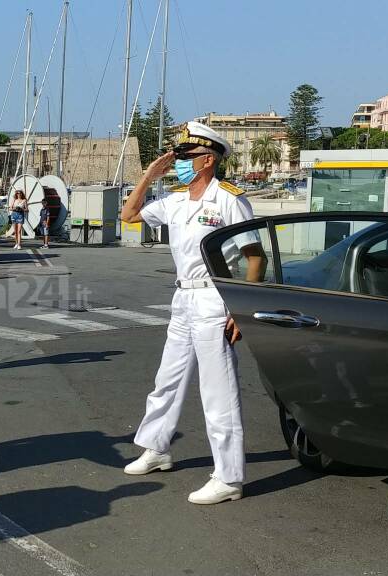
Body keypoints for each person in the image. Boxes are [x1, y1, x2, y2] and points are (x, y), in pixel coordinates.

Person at [119, 121, 266, 505]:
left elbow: (255, 257)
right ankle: (156, 448)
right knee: (168, 378)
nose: (179, 162)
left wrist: (243, 307)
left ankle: (229, 477)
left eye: (186, 157)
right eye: (179, 157)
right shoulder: (176, 200)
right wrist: (150, 175)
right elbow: (129, 215)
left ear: (208, 160)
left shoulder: (229, 200)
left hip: (216, 299)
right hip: (183, 298)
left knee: (217, 390)